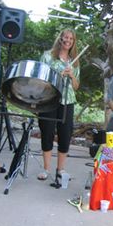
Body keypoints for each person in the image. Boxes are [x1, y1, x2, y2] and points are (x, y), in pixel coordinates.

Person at [37, 28, 80, 181]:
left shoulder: (74, 60)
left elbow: (76, 86)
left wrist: (71, 75)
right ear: (60, 38)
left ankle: (60, 170)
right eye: (65, 37)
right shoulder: (48, 56)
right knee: (47, 132)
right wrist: (57, 76)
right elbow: (39, 79)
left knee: (65, 135)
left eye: (71, 39)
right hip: (49, 99)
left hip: (67, 102)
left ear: (73, 42)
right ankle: (46, 169)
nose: (68, 40)